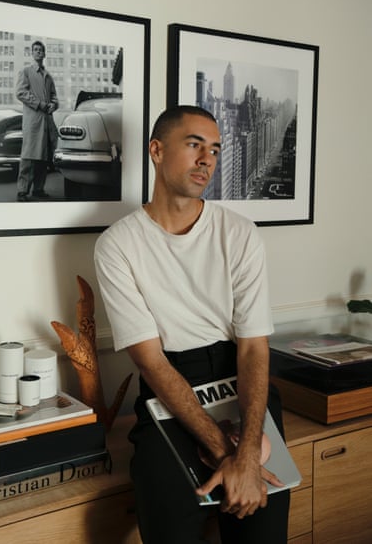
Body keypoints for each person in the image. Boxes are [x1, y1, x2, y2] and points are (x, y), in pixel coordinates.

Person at [94, 105, 290, 543]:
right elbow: (151, 363)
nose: (208, 159)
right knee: (169, 515)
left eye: (216, 149)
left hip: (239, 378)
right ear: (157, 151)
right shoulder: (118, 245)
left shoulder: (239, 233)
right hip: (169, 386)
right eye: (195, 145)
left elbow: (254, 349)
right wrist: (231, 456)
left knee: (261, 523)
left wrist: (247, 457)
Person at [16, 40, 59, 202]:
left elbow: (54, 96)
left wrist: (53, 105)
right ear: (32, 53)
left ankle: (38, 189)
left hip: (47, 120)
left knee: (43, 156)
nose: (39, 52)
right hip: (33, 121)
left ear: (44, 53)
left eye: (41, 50)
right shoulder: (26, 71)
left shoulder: (48, 76)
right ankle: (22, 191)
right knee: (28, 156)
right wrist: (40, 104)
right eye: (36, 50)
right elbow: (20, 92)